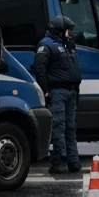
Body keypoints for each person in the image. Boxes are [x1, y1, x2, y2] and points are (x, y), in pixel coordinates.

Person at [32, 16, 83, 174]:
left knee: (70, 127)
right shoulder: (46, 45)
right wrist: (45, 89)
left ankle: (73, 161)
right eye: (68, 30)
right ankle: (59, 161)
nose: (70, 33)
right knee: (59, 127)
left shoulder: (68, 45)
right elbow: (39, 69)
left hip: (71, 91)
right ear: (60, 31)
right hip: (57, 92)